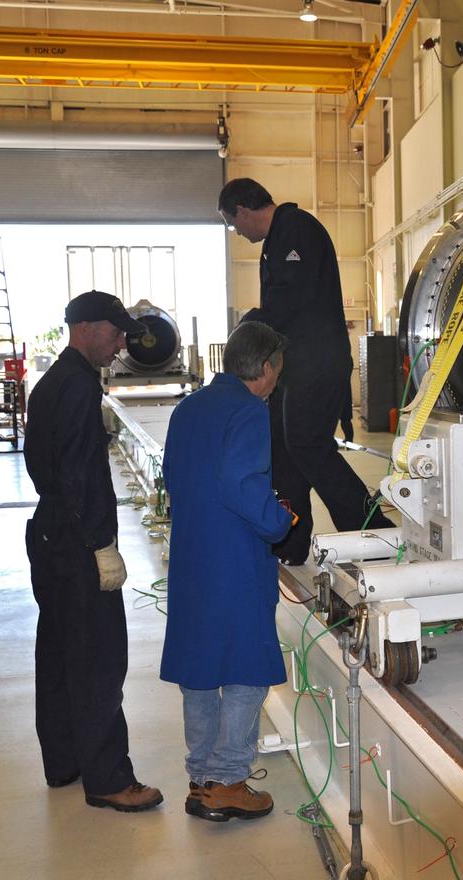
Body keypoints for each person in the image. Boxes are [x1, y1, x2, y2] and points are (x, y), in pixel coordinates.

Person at [23, 291, 162, 813]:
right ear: (84, 328)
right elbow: (80, 475)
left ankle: (65, 763)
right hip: (78, 543)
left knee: (59, 655)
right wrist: (101, 544)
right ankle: (107, 779)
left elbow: (45, 470)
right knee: (99, 661)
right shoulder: (79, 388)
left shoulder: (51, 383)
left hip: (49, 534)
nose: (122, 341)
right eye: (115, 331)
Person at [160, 320, 296, 822]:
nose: (277, 380)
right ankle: (229, 781)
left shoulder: (188, 408)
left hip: (193, 555)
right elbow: (242, 486)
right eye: (277, 371)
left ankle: (201, 778)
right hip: (234, 560)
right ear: (263, 369)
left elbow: (175, 476)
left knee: (199, 668)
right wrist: (280, 519)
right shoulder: (247, 411)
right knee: (244, 666)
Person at [219, 177, 393, 565]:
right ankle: (291, 541)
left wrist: (248, 325)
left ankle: (374, 529)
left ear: (243, 211)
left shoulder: (295, 229)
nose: (237, 232)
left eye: (233, 224)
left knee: (308, 443)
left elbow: (289, 299)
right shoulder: (277, 241)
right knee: (283, 446)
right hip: (294, 364)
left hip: (317, 361)